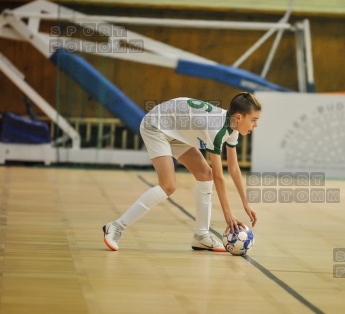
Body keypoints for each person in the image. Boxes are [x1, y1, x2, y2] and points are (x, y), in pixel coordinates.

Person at [102, 92, 261, 252]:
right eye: (254, 120)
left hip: (175, 129)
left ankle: (201, 236)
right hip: (156, 125)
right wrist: (228, 216)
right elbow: (219, 177)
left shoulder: (232, 128)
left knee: (205, 174)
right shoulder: (217, 130)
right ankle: (116, 227)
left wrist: (245, 204)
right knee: (168, 186)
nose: (256, 125)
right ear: (239, 117)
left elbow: (233, 168)